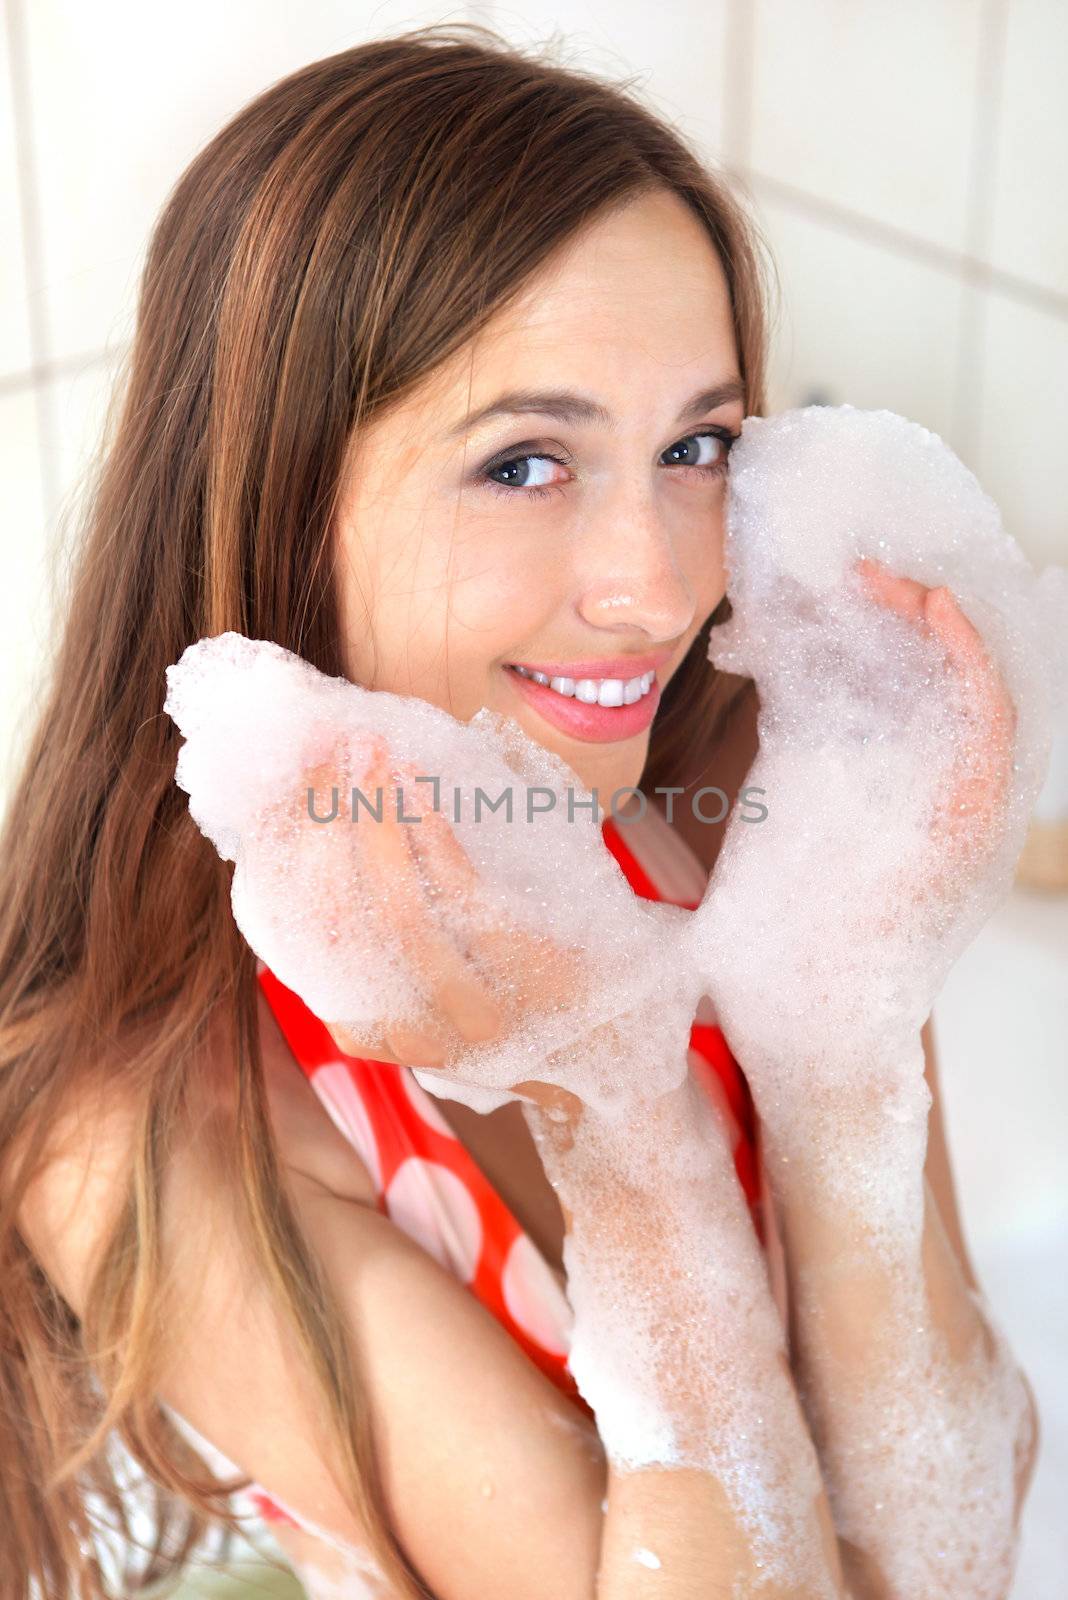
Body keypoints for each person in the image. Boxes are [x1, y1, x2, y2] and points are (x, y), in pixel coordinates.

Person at [0, 23, 1037, 1600]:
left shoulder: (748, 808)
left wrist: (852, 1045)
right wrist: (605, 1097)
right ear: (284, 497)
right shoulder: (158, 1143)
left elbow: (945, 1539)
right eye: (527, 462)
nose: (663, 587)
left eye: (696, 446)